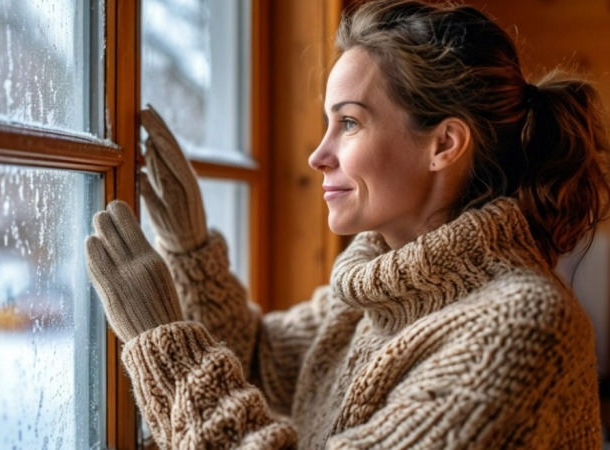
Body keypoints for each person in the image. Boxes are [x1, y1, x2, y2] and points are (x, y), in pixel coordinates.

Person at [85, 0, 610, 447]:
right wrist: (190, 247)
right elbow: (260, 364)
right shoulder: (374, 288)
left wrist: (161, 342)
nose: (318, 155)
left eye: (350, 123)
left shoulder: (520, 329)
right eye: (326, 124)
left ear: (443, 144)